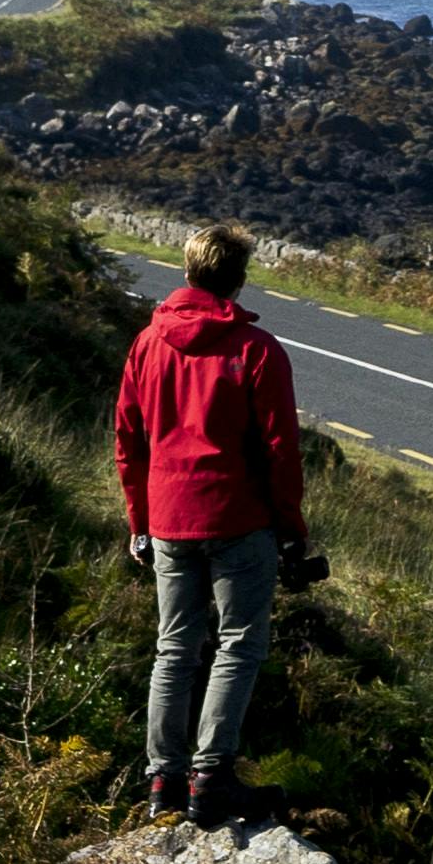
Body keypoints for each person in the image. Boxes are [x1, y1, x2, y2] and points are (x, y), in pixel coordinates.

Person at [115, 224, 316, 823]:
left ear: (187, 269)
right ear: (238, 278)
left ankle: (162, 783)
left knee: (174, 647)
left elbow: (128, 437)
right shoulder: (256, 350)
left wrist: (139, 521)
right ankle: (212, 777)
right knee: (238, 644)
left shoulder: (148, 343)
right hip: (238, 517)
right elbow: (282, 449)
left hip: (169, 518)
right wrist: (291, 527)